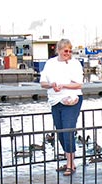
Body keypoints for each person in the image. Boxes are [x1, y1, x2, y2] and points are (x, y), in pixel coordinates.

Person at [40, 38, 83, 176]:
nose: (68, 53)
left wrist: (63, 85)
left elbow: (78, 84)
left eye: (70, 51)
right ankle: (69, 160)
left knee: (68, 130)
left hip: (72, 99)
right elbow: (43, 82)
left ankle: (70, 163)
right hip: (55, 100)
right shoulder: (50, 63)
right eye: (65, 51)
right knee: (60, 131)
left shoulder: (75, 64)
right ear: (58, 50)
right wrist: (52, 85)